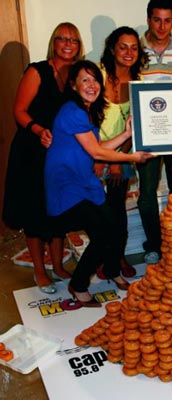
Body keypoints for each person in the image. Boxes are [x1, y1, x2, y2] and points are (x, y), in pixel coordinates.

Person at [44, 60, 154, 307]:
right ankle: (79, 284)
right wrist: (132, 157)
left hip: (83, 182)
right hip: (67, 184)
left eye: (95, 80)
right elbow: (97, 153)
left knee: (112, 229)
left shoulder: (85, 112)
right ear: (73, 85)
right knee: (105, 232)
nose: (92, 85)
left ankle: (111, 270)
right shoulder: (72, 111)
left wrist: (126, 134)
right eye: (85, 80)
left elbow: (97, 147)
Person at [2, 22, 84, 294]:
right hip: (33, 151)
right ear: (54, 42)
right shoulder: (37, 71)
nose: (68, 43)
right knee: (35, 212)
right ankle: (40, 271)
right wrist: (39, 130)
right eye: (62, 38)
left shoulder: (77, 75)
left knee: (59, 210)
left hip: (62, 154)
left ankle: (59, 266)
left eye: (73, 39)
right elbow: (20, 110)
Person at [137, 0, 172, 264]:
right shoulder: (134, 48)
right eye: (157, 19)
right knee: (147, 193)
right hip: (145, 132)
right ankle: (154, 245)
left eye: (167, 20)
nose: (162, 26)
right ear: (148, 19)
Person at [94, 26, 149, 279]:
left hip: (123, 153)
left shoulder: (139, 82)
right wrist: (97, 155)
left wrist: (117, 160)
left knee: (117, 210)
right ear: (112, 48)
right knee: (96, 211)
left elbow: (136, 126)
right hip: (92, 151)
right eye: (123, 47)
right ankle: (99, 256)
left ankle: (117, 257)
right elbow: (86, 119)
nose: (129, 52)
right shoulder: (97, 74)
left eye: (134, 47)